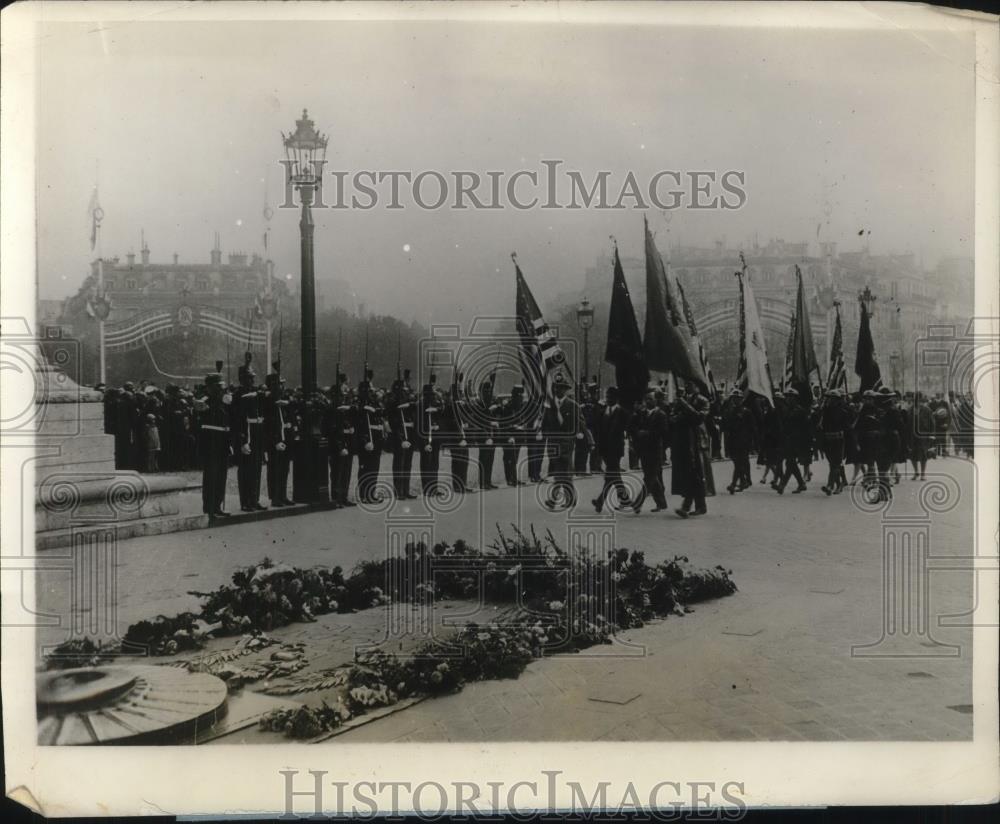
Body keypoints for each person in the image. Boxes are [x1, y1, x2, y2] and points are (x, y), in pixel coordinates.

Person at [670, 382, 710, 517]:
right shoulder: (682, 399)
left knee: (695, 473)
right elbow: (673, 417)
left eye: (691, 383)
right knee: (690, 473)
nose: (687, 385)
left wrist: (684, 405)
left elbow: (699, 418)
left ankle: (686, 506)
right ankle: (700, 505)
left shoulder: (703, 400)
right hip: (683, 441)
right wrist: (679, 415)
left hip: (696, 442)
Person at [197, 372, 232, 519]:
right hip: (211, 440)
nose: (221, 389)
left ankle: (217, 505)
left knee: (221, 475)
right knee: (211, 475)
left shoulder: (223, 400)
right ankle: (209, 508)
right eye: (218, 387)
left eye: (221, 386)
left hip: (222, 439)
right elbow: (202, 413)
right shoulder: (204, 400)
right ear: (210, 387)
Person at [592, 386, 631, 513]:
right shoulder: (603, 411)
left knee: (611, 474)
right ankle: (624, 499)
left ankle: (600, 501)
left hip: (615, 449)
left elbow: (624, 429)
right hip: (604, 449)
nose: (608, 399)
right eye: (607, 396)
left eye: (610, 397)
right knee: (613, 475)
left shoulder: (622, 413)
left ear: (616, 398)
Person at [235, 354, 266, 511]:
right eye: (248, 378)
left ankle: (254, 499)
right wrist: (242, 441)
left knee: (257, 469)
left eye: (252, 378)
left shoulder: (256, 393)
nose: (252, 381)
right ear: (241, 379)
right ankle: (245, 501)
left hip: (256, 434)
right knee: (245, 470)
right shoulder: (237, 394)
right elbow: (238, 419)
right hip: (245, 434)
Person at [631, 390, 669, 513]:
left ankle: (637, 503)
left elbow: (663, 432)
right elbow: (634, 427)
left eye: (650, 399)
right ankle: (661, 503)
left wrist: (646, 433)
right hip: (644, 449)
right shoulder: (642, 414)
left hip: (656, 449)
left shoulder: (661, 415)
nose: (648, 401)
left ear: (656, 400)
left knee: (649, 477)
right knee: (652, 477)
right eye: (646, 399)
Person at [544, 375, 578, 510]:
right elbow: (546, 423)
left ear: (566, 390)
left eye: (562, 388)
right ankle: (556, 499)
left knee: (566, 473)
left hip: (566, 444)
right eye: (557, 388)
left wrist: (572, 439)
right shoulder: (550, 406)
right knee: (558, 473)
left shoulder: (572, 405)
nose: (559, 391)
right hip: (554, 443)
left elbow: (576, 424)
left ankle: (567, 499)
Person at [262, 369, 293, 507]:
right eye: (279, 385)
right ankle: (275, 497)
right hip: (275, 441)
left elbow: (286, 420)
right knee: (275, 469)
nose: (282, 387)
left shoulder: (283, 402)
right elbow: (267, 426)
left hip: (284, 439)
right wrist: (275, 442)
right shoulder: (268, 403)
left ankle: (282, 495)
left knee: (284, 469)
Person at [356, 372, 384, 504]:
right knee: (365, 468)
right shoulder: (360, 407)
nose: (372, 392)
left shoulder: (374, 404)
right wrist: (365, 440)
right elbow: (360, 426)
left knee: (374, 468)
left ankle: (371, 493)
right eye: (369, 390)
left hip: (376, 439)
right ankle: (364, 494)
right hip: (367, 440)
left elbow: (381, 413)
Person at [387, 375, 417, 500]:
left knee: (407, 463)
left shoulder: (406, 401)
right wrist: (401, 438)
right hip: (399, 434)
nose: (405, 391)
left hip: (408, 432)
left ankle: (405, 489)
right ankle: (398, 490)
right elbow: (393, 420)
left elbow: (412, 413)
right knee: (399, 462)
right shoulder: (393, 401)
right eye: (403, 389)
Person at [722, 387, 756, 493]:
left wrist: (751, 442)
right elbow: (727, 426)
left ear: (742, 399)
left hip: (743, 441)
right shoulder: (730, 412)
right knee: (737, 462)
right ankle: (743, 481)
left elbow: (752, 428)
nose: (736, 400)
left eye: (738, 398)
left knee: (739, 463)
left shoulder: (746, 412)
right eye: (734, 398)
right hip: (733, 441)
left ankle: (734, 484)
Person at [775, 388, 808, 494]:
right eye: (787, 397)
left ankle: (782, 485)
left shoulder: (800, 410)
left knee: (790, 462)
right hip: (786, 440)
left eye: (791, 397)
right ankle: (801, 483)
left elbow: (805, 428)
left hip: (796, 441)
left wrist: (805, 443)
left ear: (796, 398)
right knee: (790, 463)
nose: (789, 399)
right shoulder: (785, 410)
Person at [818, 386, 850, 495]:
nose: (830, 400)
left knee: (835, 464)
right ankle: (839, 484)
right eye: (829, 398)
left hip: (838, 441)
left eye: (833, 398)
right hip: (828, 441)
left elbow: (847, 429)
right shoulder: (825, 412)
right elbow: (821, 427)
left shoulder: (843, 412)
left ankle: (830, 485)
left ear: (838, 400)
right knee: (832, 464)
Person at [415, 380, 442, 496]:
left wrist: (436, 410)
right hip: (425, 438)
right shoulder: (420, 405)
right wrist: (424, 441)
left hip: (434, 437)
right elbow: (419, 425)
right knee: (426, 463)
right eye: (430, 395)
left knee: (434, 464)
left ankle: (434, 487)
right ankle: (427, 488)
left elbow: (442, 411)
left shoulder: (433, 405)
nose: (432, 397)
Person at [474, 379, 500, 491]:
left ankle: (488, 481)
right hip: (483, 436)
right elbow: (479, 420)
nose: (488, 393)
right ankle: (483, 482)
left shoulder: (490, 404)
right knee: (484, 459)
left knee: (490, 459)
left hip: (491, 435)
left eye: (489, 390)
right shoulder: (479, 404)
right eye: (486, 390)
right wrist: (487, 435)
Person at [501, 385, 527, 486]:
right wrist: (509, 436)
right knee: (508, 458)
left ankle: (513, 478)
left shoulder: (520, 407)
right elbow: (504, 423)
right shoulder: (508, 407)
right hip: (510, 436)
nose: (521, 398)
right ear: (515, 395)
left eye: (521, 395)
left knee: (514, 459)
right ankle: (510, 479)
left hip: (518, 436)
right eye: (519, 395)